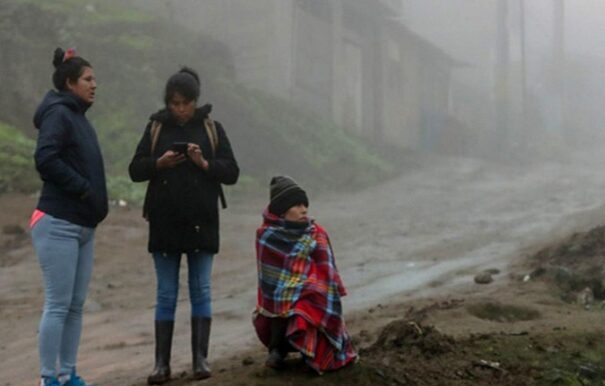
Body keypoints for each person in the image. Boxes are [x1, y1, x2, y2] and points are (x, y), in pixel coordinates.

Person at [129, 67, 239, 384]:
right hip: (164, 223)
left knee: (201, 289)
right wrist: (158, 164)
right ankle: (161, 365)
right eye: (174, 103)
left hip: (202, 222)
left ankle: (200, 360)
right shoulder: (155, 127)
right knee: (165, 293)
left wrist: (204, 164)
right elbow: (135, 169)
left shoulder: (211, 128)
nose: (180, 109)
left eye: (185, 103)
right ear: (168, 101)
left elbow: (232, 172)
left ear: (195, 101)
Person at [31, 47, 108, 386]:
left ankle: (68, 374)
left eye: (94, 79)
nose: (95, 85)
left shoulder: (78, 117)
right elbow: (45, 158)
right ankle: (49, 378)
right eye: (88, 79)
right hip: (58, 222)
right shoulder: (58, 114)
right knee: (59, 305)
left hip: (83, 227)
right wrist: (82, 189)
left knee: (75, 306)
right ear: (69, 83)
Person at [253, 176, 357, 374]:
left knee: (308, 295)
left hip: (310, 285)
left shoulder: (315, 233)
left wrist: (310, 283)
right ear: (282, 210)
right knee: (280, 295)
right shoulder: (266, 235)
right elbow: (269, 280)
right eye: (297, 205)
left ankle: (309, 351)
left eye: (305, 205)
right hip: (278, 294)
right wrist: (293, 285)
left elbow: (327, 269)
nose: (304, 210)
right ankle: (277, 349)